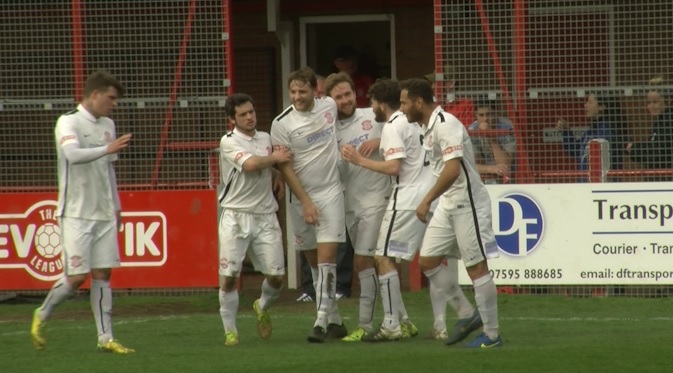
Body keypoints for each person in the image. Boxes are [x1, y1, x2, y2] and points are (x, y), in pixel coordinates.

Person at [30, 70, 134, 354]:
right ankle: (42, 313)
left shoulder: (107, 124)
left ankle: (106, 339)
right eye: (110, 98)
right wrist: (106, 147)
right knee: (77, 277)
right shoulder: (68, 121)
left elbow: (108, 169)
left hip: (103, 213)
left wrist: (117, 206)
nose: (113, 104)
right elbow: (72, 156)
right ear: (95, 94)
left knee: (103, 274)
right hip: (75, 213)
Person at [400, 78, 502, 348]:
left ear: (418, 102)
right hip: (448, 203)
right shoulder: (430, 126)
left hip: (468, 203)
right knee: (428, 261)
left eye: (404, 102)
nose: (402, 109)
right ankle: (468, 314)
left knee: (476, 267)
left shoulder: (446, 124)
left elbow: (452, 169)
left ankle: (491, 335)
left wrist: (426, 200)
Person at [341, 78, 434, 342]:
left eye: (371, 102)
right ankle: (405, 322)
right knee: (400, 260)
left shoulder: (394, 125)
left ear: (381, 105)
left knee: (382, 259)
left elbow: (394, 167)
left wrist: (358, 160)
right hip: (424, 194)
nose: (369, 106)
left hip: (404, 197)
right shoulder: (414, 122)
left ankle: (392, 324)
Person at [270, 66, 348, 343]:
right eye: (293, 91)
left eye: (302, 91)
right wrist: (305, 202)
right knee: (314, 264)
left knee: (328, 261)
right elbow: (285, 168)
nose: (297, 96)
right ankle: (336, 321)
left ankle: (320, 321)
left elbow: (349, 111)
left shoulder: (328, 105)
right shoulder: (281, 123)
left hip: (330, 193)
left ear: (315, 90)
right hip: (299, 199)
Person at [217, 93, 292, 346]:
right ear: (232, 120)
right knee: (229, 276)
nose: (250, 117)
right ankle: (231, 331)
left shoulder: (265, 138)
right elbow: (249, 165)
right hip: (235, 216)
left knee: (277, 277)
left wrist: (274, 173)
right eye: (243, 114)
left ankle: (261, 305)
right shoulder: (228, 142)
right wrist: (275, 161)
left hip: (265, 215)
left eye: (251, 112)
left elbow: (261, 163)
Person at [325, 72, 390, 341]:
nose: (345, 101)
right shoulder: (329, 131)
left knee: (364, 261)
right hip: (349, 203)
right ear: (330, 101)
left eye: (347, 94)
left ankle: (365, 324)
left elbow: (403, 134)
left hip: (376, 199)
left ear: (355, 94)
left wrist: (380, 140)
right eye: (338, 97)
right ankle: (399, 319)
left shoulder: (373, 117)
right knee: (374, 263)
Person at [296, 73, 354, 303]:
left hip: (342, 186)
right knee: (308, 238)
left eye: (321, 93)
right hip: (311, 188)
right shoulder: (299, 121)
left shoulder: (351, 116)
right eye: (318, 93)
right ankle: (310, 289)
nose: (319, 97)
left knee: (339, 241)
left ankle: (340, 286)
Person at [557, 93, 627, 176]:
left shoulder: (607, 132)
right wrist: (566, 131)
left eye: (590, 102)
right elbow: (575, 150)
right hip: (586, 184)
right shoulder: (591, 131)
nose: (585, 105)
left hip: (599, 185)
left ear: (601, 107)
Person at [627, 76, 673, 170]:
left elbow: (658, 153)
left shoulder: (668, 121)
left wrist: (634, 148)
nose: (651, 106)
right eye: (649, 102)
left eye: (655, 102)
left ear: (668, 100)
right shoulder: (660, 121)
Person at [468, 101, 515, 183]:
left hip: (510, 176)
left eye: (489, 114)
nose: (485, 119)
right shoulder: (472, 130)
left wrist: (490, 135)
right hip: (485, 177)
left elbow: (505, 163)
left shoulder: (508, 127)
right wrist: (491, 169)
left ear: (496, 113)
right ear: (475, 115)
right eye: (481, 115)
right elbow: (473, 165)